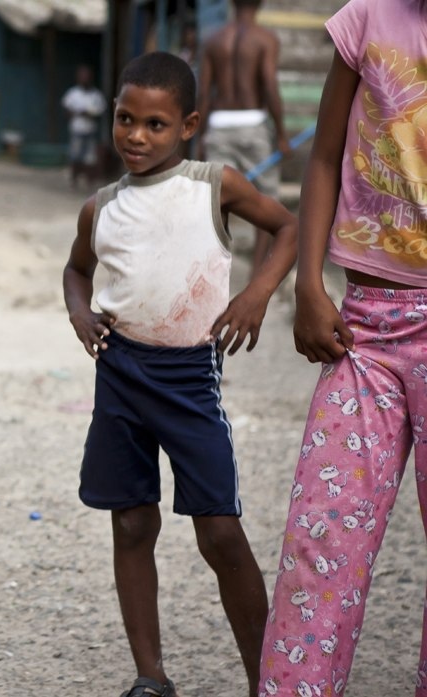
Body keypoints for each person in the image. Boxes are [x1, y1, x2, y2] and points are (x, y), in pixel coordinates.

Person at [63, 51, 297, 697]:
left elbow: (287, 228)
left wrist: (257, 295)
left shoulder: (214, 182)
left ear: (189, 124)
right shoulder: (101, 207)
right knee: (132, 521)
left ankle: (269, 680)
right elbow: (76, 269)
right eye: (126, 119)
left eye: (156, 124)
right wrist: (81, 313)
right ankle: (151, 674)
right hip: (120, 373)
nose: (136, 135)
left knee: (219, 528)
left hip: (191, 375)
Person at [258, 1, 427, 695]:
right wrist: (307, 286)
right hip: (367, 326)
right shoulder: (367, 18)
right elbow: (324, 156)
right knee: (321, 542)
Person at [197, 0, 290, 279]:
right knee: (267, 203)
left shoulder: (213, 40)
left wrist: (200, 136)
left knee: (217, 202)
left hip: (219, 125)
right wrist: (282, 134)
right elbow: (269, 84)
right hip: (253, 126)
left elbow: (203, 94)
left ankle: (214, 275)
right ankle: (256, 276)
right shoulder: (265, 39)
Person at [61, 64, 107, 189]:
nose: (84, 79)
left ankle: (89, 182)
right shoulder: (73, 93)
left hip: (90, 130)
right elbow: (66, 108)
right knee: (75, 156)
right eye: (82, 76)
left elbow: (100, 112)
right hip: (77, 129)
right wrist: (77, 113)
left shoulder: (96, 95)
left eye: (86, 76)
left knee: (90, 158)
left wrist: (90, 114)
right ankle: (74, 180)